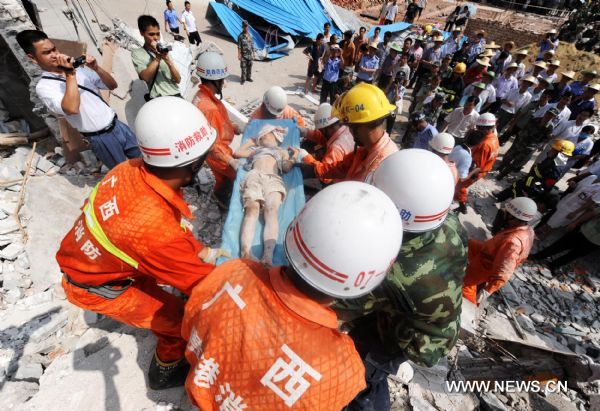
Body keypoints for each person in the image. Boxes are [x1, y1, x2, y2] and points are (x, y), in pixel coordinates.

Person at [182, 181, 403, 410]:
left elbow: (190, 323)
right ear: (365, 281)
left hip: (207, 394)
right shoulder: (342, 368)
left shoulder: (233, 273)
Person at [56, 97, 217, 390]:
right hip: (97, 285)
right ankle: (164, 374)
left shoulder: (129, 169)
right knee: (180, 321)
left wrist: (197, 252)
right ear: (193, 163)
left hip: (96, 257)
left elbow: (159, 232)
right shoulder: (154, 231)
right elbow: (205, 286)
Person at [335, 149, 467, 410]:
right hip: (433, 318)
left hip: (413, 339)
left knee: (367, 376)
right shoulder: (449, 222)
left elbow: (337, 307)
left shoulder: (394, 272)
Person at [16, 29, 140, 169]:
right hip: (101, 138)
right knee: (124, 173)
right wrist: (69, 74)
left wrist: (96, 68)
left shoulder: (79, 70)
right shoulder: (45, 87)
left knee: (146, 163)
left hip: (118, 126)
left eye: (54, 49)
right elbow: (71, 108)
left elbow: (112, 85)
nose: (55, 55)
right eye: (46, 53)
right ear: (32, 58)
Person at [234, 125, 296, 266]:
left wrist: (295, 156)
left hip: (273, 179)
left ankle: (267, 256)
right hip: (254, 175)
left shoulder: (281, 152)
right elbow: (237, 152)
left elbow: (286, 167)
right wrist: (251, 141)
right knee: (252, 208)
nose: (264, 138)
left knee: (271, 209)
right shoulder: (256, 150)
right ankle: (246, 252)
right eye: (262, 137)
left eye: (267, 135)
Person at [310, 83, 397, 182]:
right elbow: (342, 168)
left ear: (359, 126)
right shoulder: (366, 150)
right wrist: (312, 169)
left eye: (349, 126)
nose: (349, 131)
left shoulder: (380, 170)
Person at [462, 197, 536, 305]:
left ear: (513, 217)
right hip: (488, 252)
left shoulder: (513, 242)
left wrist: (488, 290)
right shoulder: (527, 230)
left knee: (465, 285)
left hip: (485, 266)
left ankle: (469, 306)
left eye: (507, 213)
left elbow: (503, 272)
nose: (504, 215)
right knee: (466, 243)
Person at [192, 52, 240, 203]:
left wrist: (232, 127)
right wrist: (230, 161)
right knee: (235, 175)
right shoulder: (209, 107)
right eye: (222, 79)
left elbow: (213, 126)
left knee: (222, 177)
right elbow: (213, 142)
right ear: (216, 80)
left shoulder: (201, 96)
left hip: (213, 150)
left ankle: (220, 195)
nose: (224, 83)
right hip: (218, 152)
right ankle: (223, 199)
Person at [494, 139, 575, 202]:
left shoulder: (557, 167)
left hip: (532, 187)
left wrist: (532, 191)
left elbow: (547, 185)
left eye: (554, 149)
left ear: (560, 153)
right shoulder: (552, 158)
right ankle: (500, 197)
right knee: (515, 186)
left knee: (518, 195)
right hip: (529, 180)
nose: (550, 150)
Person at [298, 103, 355, 183]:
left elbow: (326, 177)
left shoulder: (336, 148)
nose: (321, 133)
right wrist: (306, 132)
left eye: (322, 130)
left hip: (338, 183)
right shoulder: (346, 129)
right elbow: (324, 139)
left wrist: (306, 157)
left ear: (327, 129)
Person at [495, 107, 559, 180]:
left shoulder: (550, 128)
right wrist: (519, 138)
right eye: (548, 113)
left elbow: (545, 140)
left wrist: (537, 146)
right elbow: (524, 128)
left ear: (553, 117)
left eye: (551, 115)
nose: (548, 116)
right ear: (546, 112)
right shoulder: (535, 119)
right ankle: (500, 168)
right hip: (520, 141)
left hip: (529, 147)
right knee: (508, 156)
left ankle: (502, 175)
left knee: (516, 163)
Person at [455, 113, 499, 213]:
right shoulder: (494, 138)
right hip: (482, 170)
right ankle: (462, 205)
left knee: (459, 187)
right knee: (462, 187)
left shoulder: (485, 145)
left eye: (478, 127)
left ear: (484, 128)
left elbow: (477, 166)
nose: (477, 129)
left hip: (474, 172)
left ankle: (462, 206)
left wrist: (466, 176)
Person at [131, 15, 181, 99]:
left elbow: (178, 79)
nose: (155, 38)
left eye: (158, 34)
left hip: (175, 95)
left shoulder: (164, 50)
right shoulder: (138, 53)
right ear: (142, 33)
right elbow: (145, 77)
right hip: (158, 99)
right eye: (151, 34)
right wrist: (158, 57)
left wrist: (168, 60)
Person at [530, 212, 600, 272]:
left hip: (596, 242)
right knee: (560, 245)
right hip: (584, 231)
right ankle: (538, 256)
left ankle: (554, 265)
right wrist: (576, 222)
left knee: (573, 255)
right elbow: (592, 213)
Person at [536, 174, 600, 239]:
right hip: (566, 201)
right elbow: (578, 187)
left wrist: (575, 213)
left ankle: (541, 237)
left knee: (554, 225)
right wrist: (573, 185)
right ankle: (537, 233)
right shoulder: (592, 177)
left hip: (573, 209)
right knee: (550, 220)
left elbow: (590, 203)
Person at [385, 69, 408, 134]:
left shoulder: (403, 88)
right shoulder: (391, 84)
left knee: (391, 119)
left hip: (393, 108)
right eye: (398, 79)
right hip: (386, 105)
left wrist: (396, 89)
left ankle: (388, 133)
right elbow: (385, 92)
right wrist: (389, 85)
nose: (399, 81)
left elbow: (397, 98)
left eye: (401, 79)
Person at [237, 20, 255, 84]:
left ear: (248, 27)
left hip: (250, 54)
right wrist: (239, 54)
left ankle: (248, 77)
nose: (245, 28)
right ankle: (243, 79)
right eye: (244, 26)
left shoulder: (250, 35)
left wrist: (254, 53)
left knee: (249, 67)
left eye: (246, 26)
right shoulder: (240, 36)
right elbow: (239, 46)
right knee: (243, 67)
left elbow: (252, 45)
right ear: (242, 27)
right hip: (243, 55)